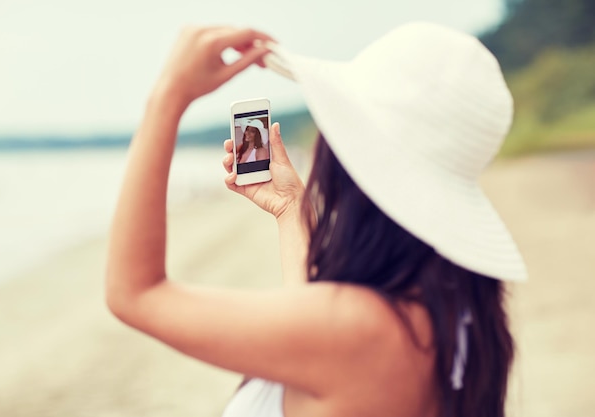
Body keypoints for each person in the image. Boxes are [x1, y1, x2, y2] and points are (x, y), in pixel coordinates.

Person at [106, 22, 528, 417]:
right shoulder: (454, 311)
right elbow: (314, 312)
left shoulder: (359, 330)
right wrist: (291, 207)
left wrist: (167, 97)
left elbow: (136, 293)